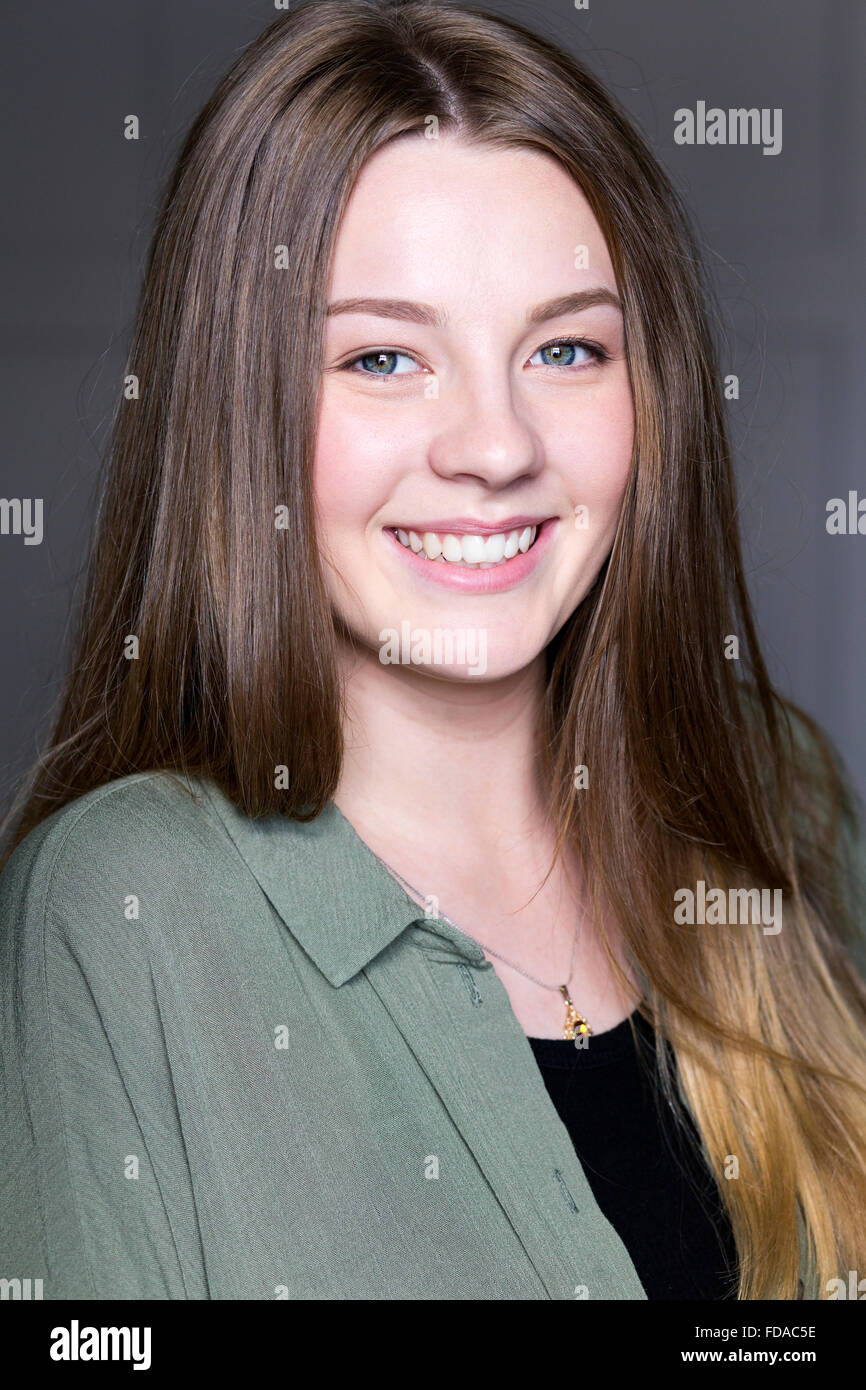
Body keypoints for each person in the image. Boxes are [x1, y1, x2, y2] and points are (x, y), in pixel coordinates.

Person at [1, 0, 865, 1301]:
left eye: (565, 348)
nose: (495, 444)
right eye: (386, 356)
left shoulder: (772, 789)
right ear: (242, 406)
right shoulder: (129, 906)